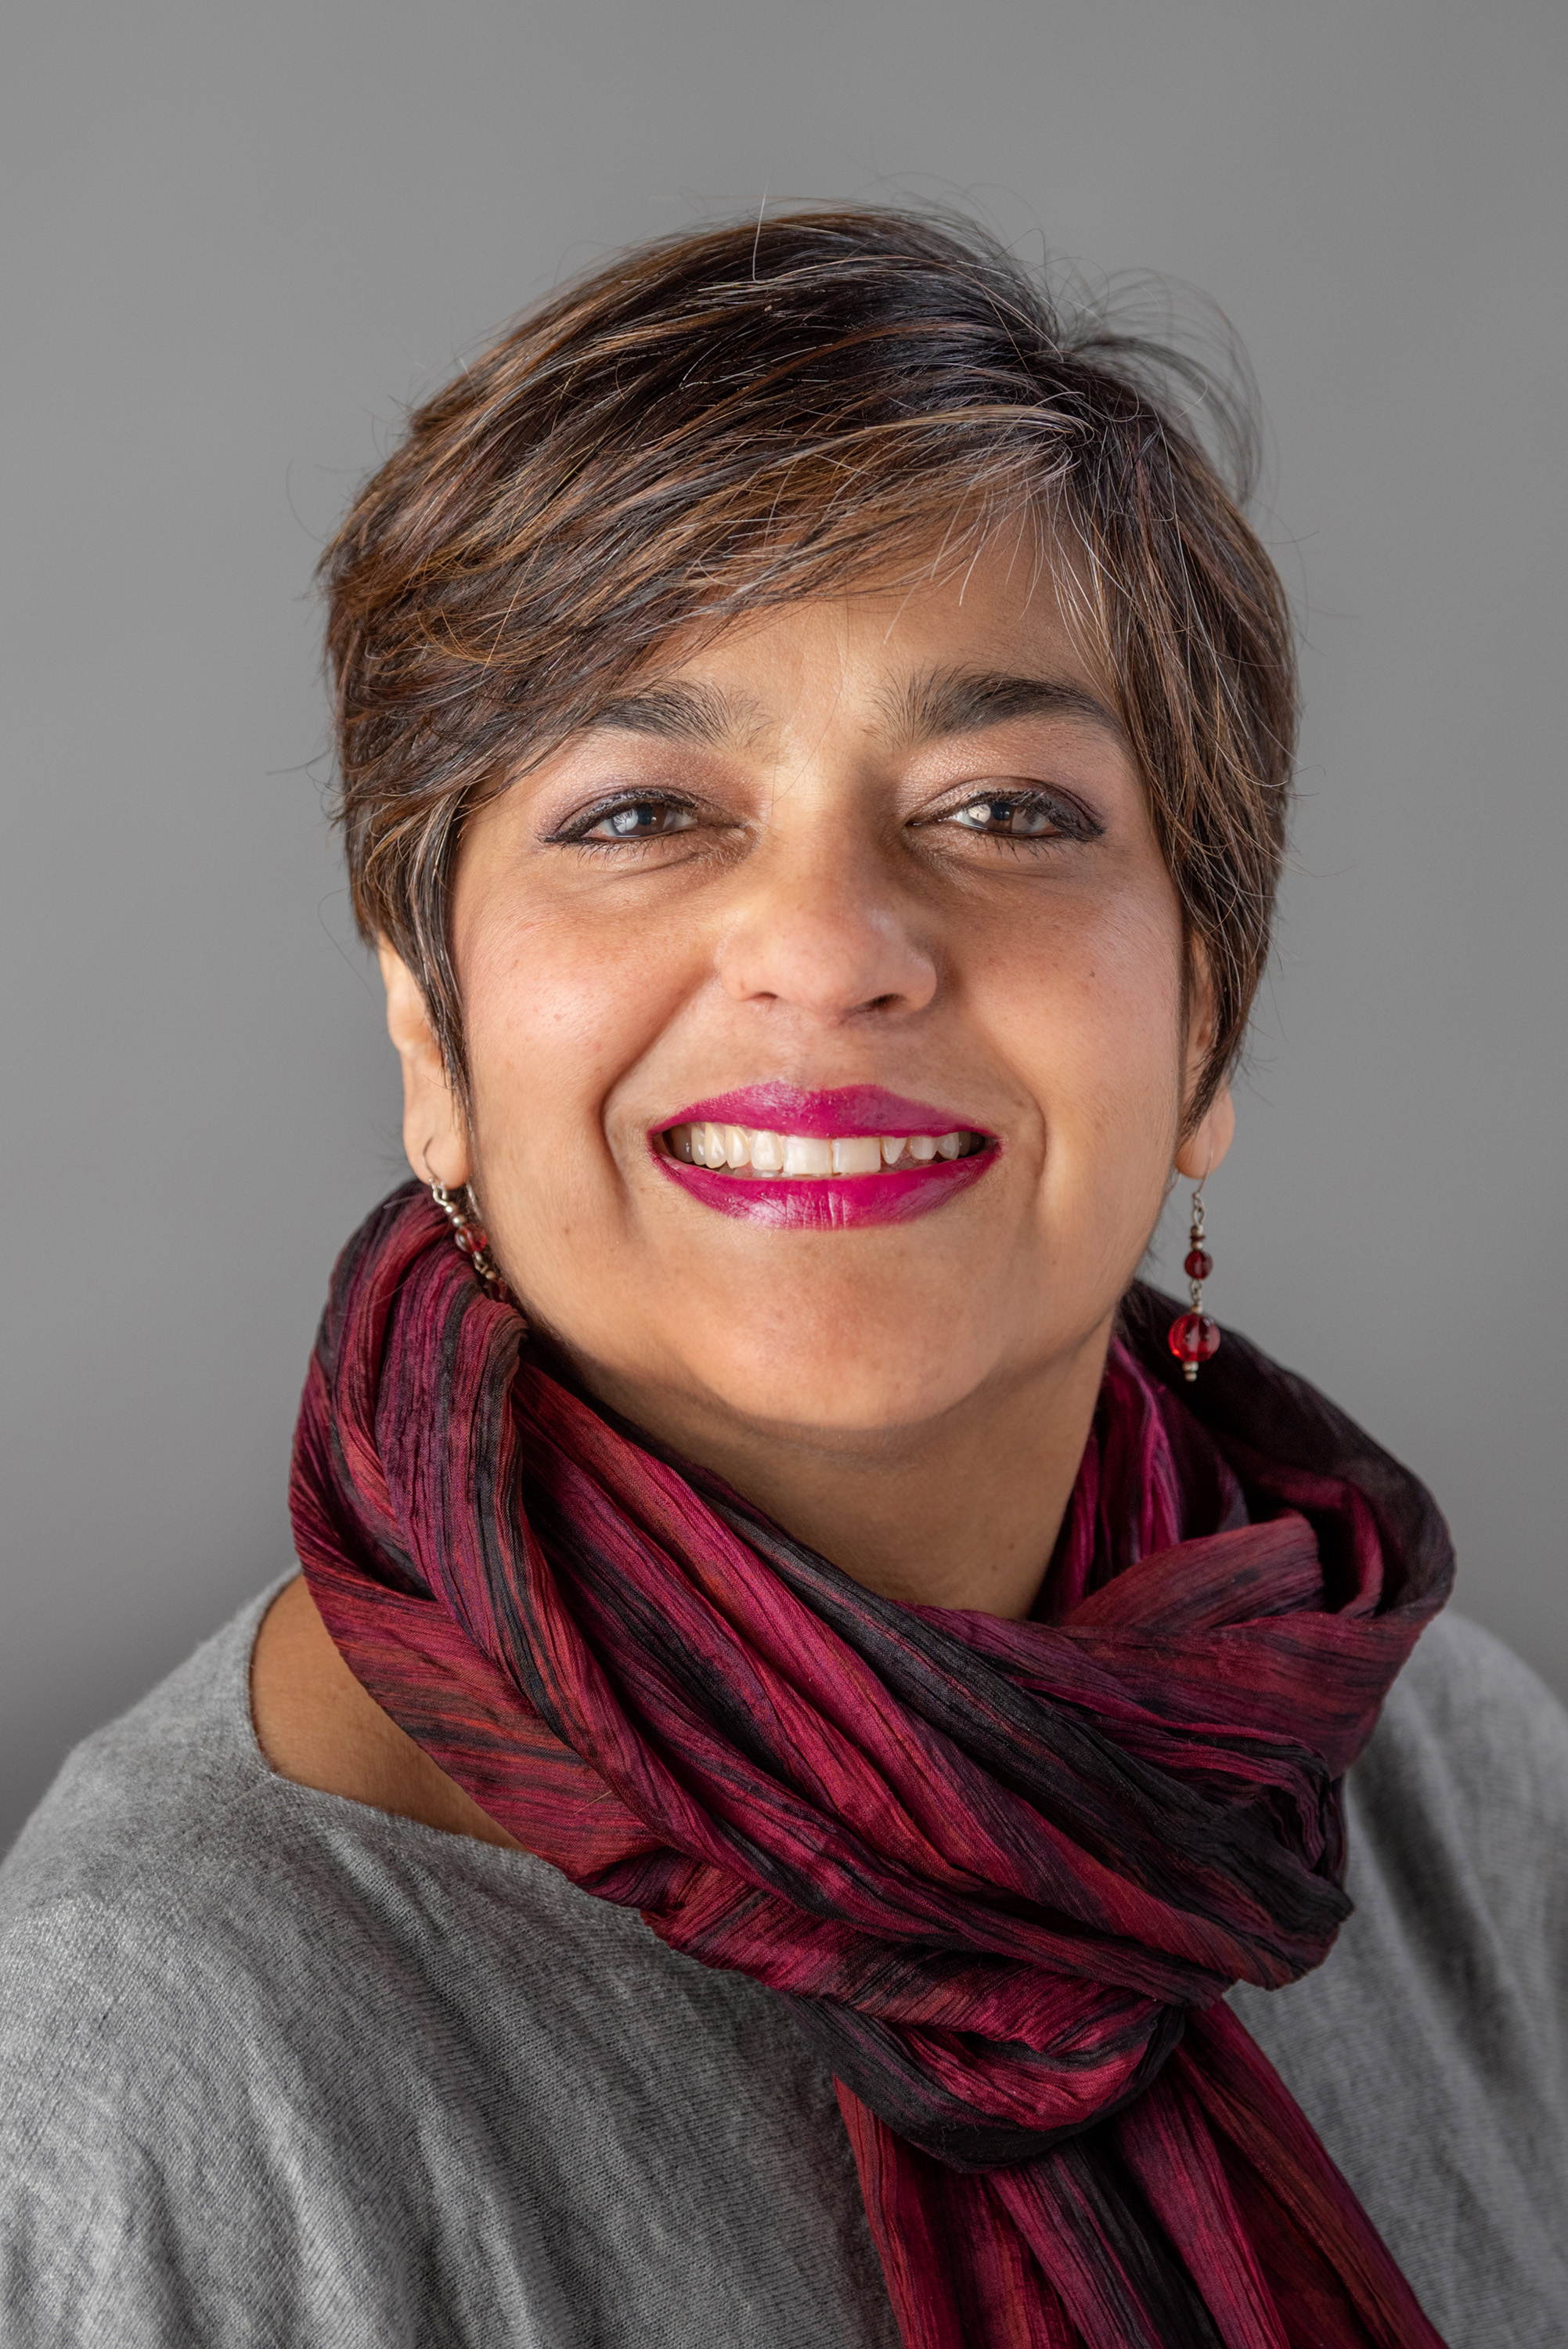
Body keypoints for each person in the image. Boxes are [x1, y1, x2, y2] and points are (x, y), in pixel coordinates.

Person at [2, 210, 1563, 2349]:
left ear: (1204, 1025)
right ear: (428, 1035)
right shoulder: (151, 2050)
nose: (829, 946)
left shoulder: (1456, 1785)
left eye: (1007, 806)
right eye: (643, 811)